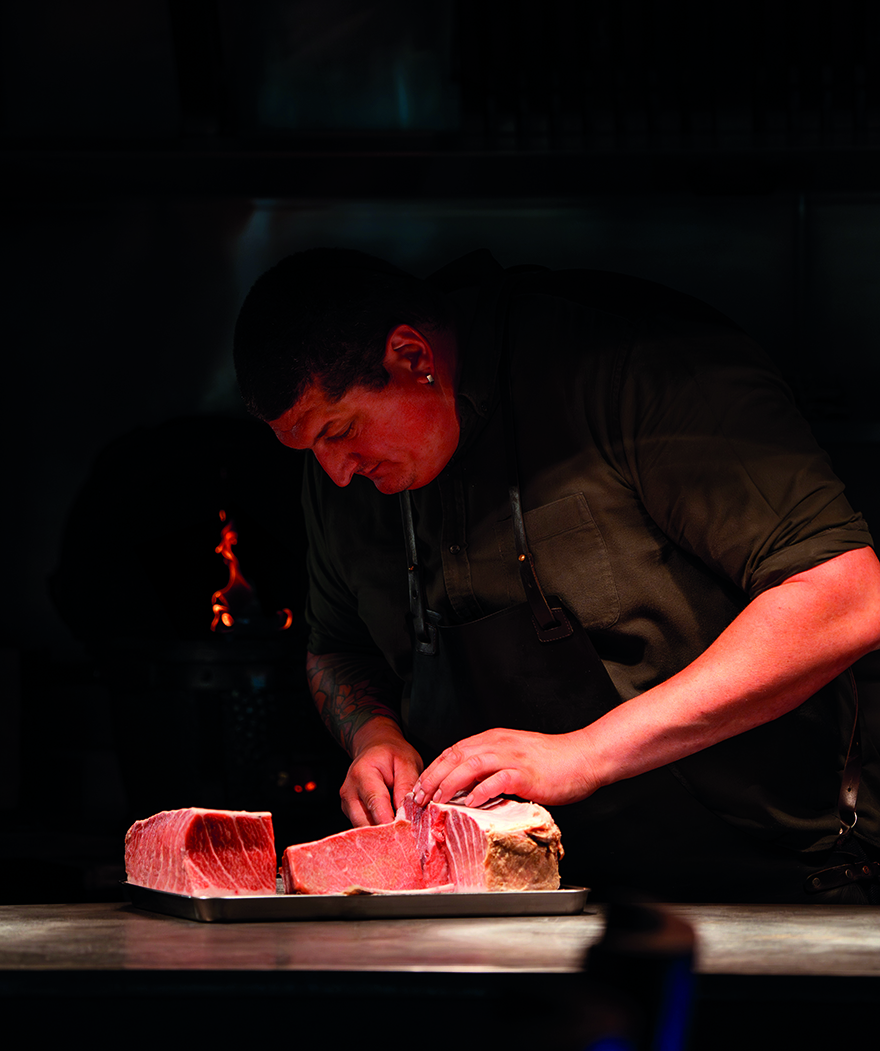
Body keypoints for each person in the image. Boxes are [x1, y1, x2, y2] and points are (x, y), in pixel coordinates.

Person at [233, 246, 880, 902]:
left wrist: (586, 751)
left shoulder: (629, 363)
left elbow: (848, 593)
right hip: (517, 901)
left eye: (340, 431)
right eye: (312, 449)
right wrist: (374, 736)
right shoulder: (342, 477)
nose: (337, 472)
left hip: (776, 878)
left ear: (413, 357)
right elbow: (336, 646)